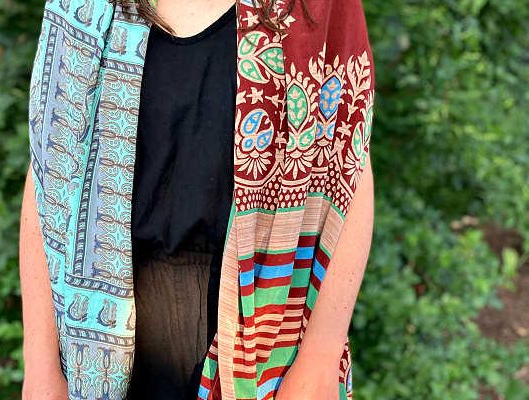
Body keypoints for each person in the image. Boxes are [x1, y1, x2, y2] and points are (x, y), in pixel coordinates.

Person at [20, 0, 375, 399]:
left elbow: (348, 167)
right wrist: (40, 363)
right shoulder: (84, 7)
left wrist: (321, 355)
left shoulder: (314, 7)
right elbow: (50, 175)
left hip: (268, 354)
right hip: (97, 355)